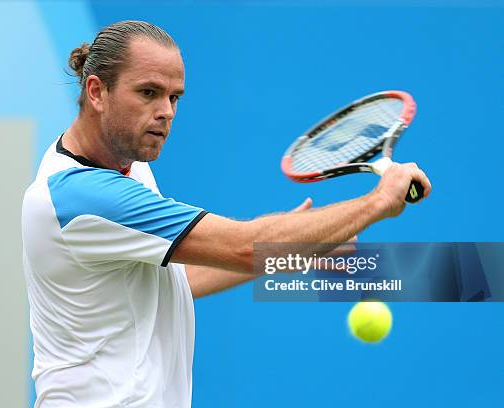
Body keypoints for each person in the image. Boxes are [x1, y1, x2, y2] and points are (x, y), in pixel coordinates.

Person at [21, 20, 431, 408]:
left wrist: (291, 252)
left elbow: (175, 281)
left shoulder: (127, 165)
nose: (166, 111)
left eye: (174, 97)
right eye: (148, 92)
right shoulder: (81, 196)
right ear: (97, 92)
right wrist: (377, 202)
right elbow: (242, 246)